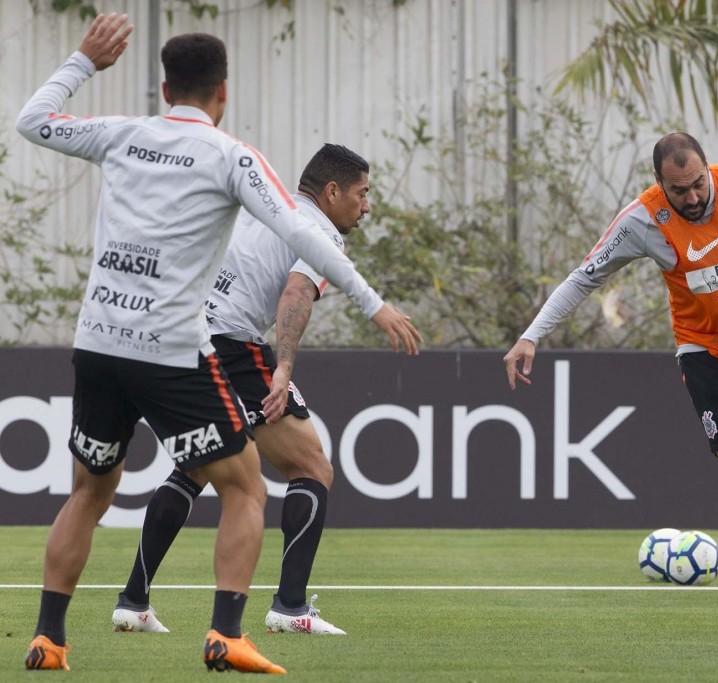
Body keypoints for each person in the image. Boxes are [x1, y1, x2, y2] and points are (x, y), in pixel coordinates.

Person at [16, 14, 421, 673]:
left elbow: (32, 122)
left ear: (163, 86)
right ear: (222, 92)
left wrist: (83, 62)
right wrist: (374, 303)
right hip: (171, 346)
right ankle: (227, 632)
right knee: (244, 486)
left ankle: (48, 636)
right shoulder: (231, 155)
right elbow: (306, 235)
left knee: (89, 490)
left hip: (96, 341)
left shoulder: (121, 134)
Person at [503, 132, 718, 634]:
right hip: (705, 355)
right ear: (661, 184)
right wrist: (531, 334)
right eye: (680, 190)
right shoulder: (642, 220)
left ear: (707, 170)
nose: (693, 197)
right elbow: (584, 276)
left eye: (698, 184)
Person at [111, 143, 371, 636]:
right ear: (332, 192)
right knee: (312, 467)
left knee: (197, 466)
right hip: (232, 343)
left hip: (182, 336)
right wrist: (283, 369)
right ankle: (291, 608)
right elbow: (296, 293)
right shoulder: (318, 232)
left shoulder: (263, 204)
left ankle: (133, 602)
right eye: (361, 193)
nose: (366, 205)